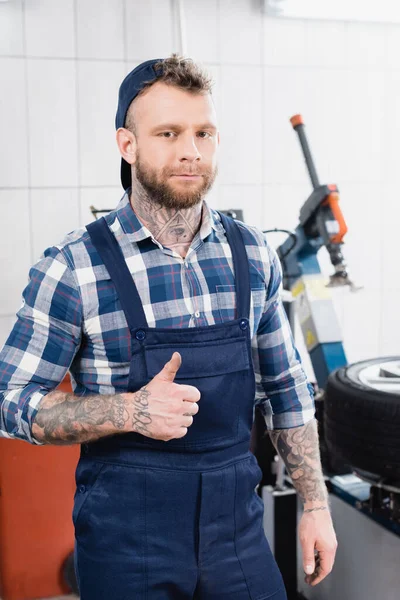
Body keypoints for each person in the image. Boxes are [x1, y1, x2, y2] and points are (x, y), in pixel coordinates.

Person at [0, 54, 337, 599]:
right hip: (126, 544)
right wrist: (129, 410)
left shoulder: (252, 256)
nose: (191, 150)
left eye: (204, 132)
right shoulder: (75, 268)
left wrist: (316, 505)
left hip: (237, 536)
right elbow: (11, 399)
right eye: (169, 132)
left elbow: (286, 388)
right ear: (127, 146)